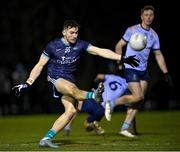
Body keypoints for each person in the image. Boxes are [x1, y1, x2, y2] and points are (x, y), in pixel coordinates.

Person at [12, 20, 139, 148]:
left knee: (71, 111)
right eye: (71, 33)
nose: (74, 35)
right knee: (73, 89)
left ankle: (46, 139)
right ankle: (94, 95)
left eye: (76, 33)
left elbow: (100, 51)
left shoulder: (80, 44)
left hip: (70, 79)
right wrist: (28, 83)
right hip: (55, 79)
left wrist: (122, 58)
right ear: (64, 32)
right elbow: (40, 65)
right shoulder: (53, 46)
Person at [114, 5, 172, 137]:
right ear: (141, 17)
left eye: (151, 15)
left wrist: (166, 72)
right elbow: (118, 46)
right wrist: (119, 63)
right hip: (130, 68)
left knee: (138, 101)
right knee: (138, 96)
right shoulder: (132, 30)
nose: (148, 17)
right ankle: (111, 102)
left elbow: (158, 55)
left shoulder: (154, 35)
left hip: (143, 71)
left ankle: (125, 128)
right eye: (146, 15)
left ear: (153, 17)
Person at [64, 73, 138, 137]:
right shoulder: (128, 85)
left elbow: (99, 76)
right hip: (102, 110)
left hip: (95, 99)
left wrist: (95, 81)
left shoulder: (113, 77)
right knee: (88, 124)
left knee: (77, 104)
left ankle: (68, 126)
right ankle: (91, 124)